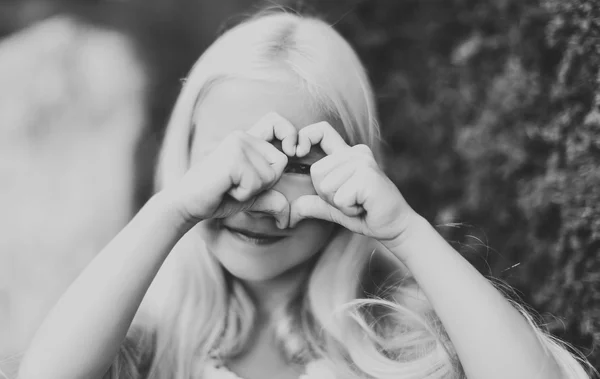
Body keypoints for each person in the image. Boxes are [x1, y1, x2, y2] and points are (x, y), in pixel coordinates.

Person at [16, 9, 593, 379]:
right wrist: (173, 208)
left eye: (295, 164)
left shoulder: (401, 336)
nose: (253, 194)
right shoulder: (148, 340)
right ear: (184, 161)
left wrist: (407, 231)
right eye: (227, 157)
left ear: (357, 170)